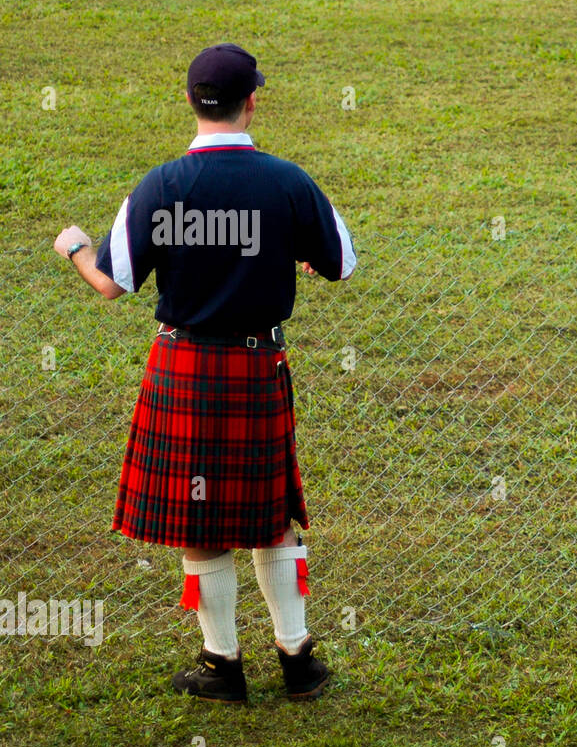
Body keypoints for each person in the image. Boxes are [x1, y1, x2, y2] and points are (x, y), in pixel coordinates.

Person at [52, 43, 356, 703]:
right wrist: (296, 256)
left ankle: (223, 666)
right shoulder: (288, 181)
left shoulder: (161, 186)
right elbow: (341, 261)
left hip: (184, 368)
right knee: (271, 514)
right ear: (254, 102)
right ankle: (299, 660)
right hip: (255, 365)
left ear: (191, 101)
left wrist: (76, 247)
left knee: (199, 524)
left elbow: (113, 284)